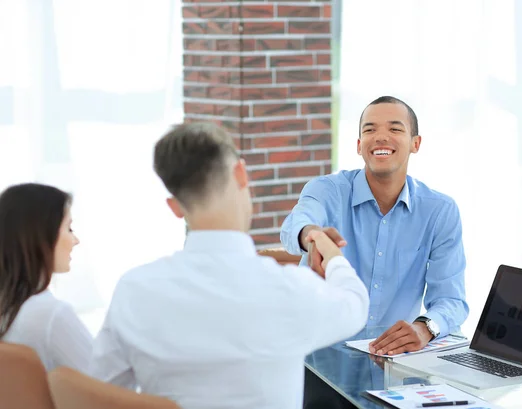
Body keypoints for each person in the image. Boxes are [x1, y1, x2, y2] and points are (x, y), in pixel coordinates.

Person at [89, 122, 369, 409]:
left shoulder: (135, 289)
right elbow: (356, 305)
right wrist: (332, 256)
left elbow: (97, 390)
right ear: (240, 173)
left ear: (174, 206)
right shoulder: (289, 289)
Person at [281, 96, 469, 356]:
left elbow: (451, 300)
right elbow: (296, 224)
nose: (381, 137)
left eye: (395, 129)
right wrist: (310, 235)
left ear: (416, 143)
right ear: (359, 146)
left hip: (391, 360)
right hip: (316, 356)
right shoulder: (326, 190)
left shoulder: (440, 211)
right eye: (370, 130)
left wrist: (425, 328)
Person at [0, 183, 92, 372]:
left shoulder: (8, 309)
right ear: (42, 235)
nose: (75, 240)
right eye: (69, 228)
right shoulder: (50, 314)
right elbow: (106, 387)